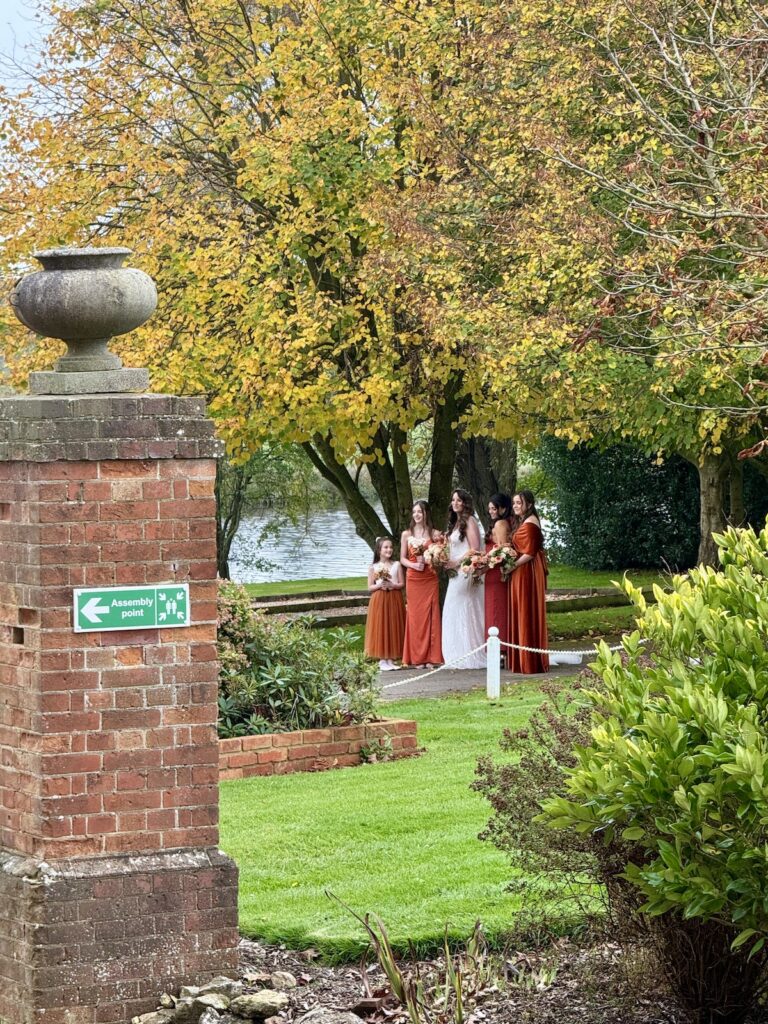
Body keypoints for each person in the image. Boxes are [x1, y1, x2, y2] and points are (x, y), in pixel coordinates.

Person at [442, 489, 487, 669]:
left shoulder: (469, 521)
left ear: (465, 503)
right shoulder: (455, 523)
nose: (455, 503)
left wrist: (456, 562)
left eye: (459, 500)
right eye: (453, 500)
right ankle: (456, 652)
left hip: (465, 571)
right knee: (452, 609)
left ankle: (470, 652)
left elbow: (475, 548)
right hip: (456, 572)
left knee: (463, 608)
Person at [508, 489, 549, 674]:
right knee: (520, 608)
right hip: (521, 570)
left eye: (519, 502)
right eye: (514, 503)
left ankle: (530, 660)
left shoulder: (531, 523)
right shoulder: (524, 521)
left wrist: (512, 565)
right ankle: (523, 657)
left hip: (527, 571)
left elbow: (530, 552)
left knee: (526, 608)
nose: (516, 506)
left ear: (529, 504)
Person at [401, 501, 443, 668]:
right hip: (413, 578)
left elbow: (441, 557)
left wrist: (430, 559)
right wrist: (413, 565)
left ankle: (432, 657)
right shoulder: (407, 534)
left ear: (426, 513)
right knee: (415, 616)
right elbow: (402, 558)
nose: (417, 515)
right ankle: (417, 657)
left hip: (430, 577)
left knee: (431, 615)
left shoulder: (435, 534)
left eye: (420, 511)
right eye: (414, 512)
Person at [364, 536, 406, 671]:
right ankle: (382, 659)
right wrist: (379, 585)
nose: (389, 550)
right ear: (379, 550)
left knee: (392, 625)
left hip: (393, 598)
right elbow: (370, 587)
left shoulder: (397, 565)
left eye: (390, 547)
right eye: (385, 547)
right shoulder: (373, 567)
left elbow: (401, 583)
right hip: (380, 599)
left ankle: (390, 659)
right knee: (381, 625)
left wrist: (393, 585)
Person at [484, 493, 513, 664]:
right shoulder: (500, 522)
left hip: (496, 573)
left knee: (496, 611)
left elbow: (502, 550)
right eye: (489, 509)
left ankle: (500, 652)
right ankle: (499, 652)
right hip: (490, 571)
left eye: (494, 508)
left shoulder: (501, 523)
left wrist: (485, 561)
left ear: (503, 508)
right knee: (493, 610)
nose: (491, 512)